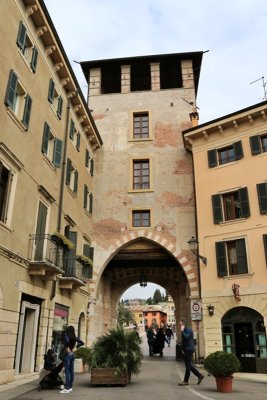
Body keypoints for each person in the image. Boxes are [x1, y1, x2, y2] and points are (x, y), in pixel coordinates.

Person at [59, 325, 84, 394]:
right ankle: (70, 387)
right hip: (72, 355)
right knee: (71, 371)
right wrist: (77, 346)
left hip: (68, 355)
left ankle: (66, 388)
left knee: (67, 372)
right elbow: (82, 343)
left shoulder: (67, 336)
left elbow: (67, 341)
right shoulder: (75, 337)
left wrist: (67, 347)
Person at [178, 320, 204, 386]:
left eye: (180, 324)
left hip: (189, 349)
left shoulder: (188, 330)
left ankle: (186, 380)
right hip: (186, 349)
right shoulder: (185, 330)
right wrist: (182, 349)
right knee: (189, 365)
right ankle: (199, 375)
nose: (179, 325)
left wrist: (182, 331)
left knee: (188, 366)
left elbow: (186, 337)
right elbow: (183, 341)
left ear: (183, 325)